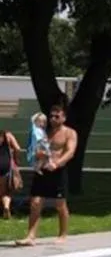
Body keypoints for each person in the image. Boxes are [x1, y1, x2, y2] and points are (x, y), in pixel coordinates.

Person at [16, 99, 76, 247]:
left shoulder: (69, 133)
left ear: (64, 118)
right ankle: (31, 236)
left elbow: (70, 152)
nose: (53, 119)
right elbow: (36, 148)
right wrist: (38, 155)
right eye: (51, 116)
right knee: (35, 202)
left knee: (60, 204)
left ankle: (62, 234)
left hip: (58, 170)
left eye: (57, 116)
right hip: (42, 170)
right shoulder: (42, 132)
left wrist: (57, 163)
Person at [0, 128, 21, 219]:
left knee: (1, 192)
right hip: (5, 164)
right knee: (5, 191)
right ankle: (6, 207)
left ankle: (4, 208)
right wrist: (16, 159)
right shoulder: (7, 135)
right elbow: (17, 148)